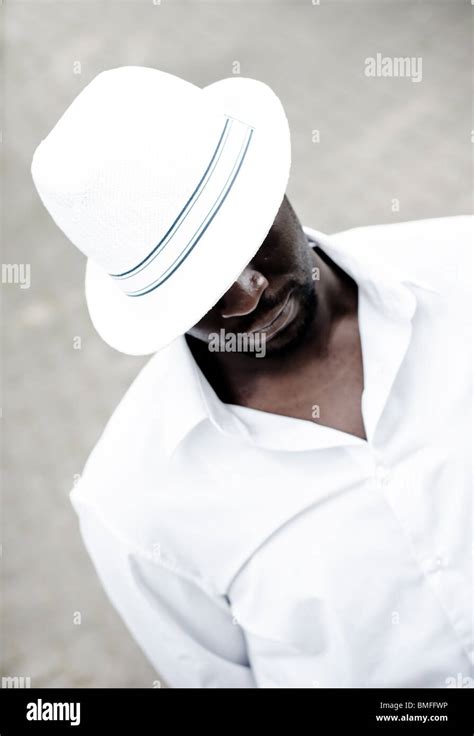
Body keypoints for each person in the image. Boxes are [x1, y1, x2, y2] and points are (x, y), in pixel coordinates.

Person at [31, 66, 473, 688]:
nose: (248, 297)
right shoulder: (132, 506)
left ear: (274, 186)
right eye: (198, 284)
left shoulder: (462, 273)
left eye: (243, 241)